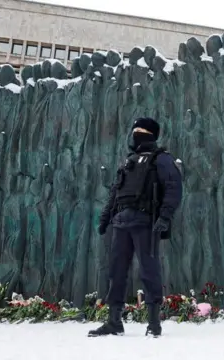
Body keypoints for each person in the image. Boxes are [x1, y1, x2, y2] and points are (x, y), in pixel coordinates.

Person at [88, 117, 183, 338]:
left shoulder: (162, 159)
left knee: (149, 271)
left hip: (145, 222)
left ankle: (153, 323)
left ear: (150, 134)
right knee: (116, 272)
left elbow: (173, 188)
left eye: (139, 130)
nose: (135, 134)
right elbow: (115, 193)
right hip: (121, 223)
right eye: (134, 130)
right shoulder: (127, 162)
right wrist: (104, 219)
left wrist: (165, 217)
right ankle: (114, 321)